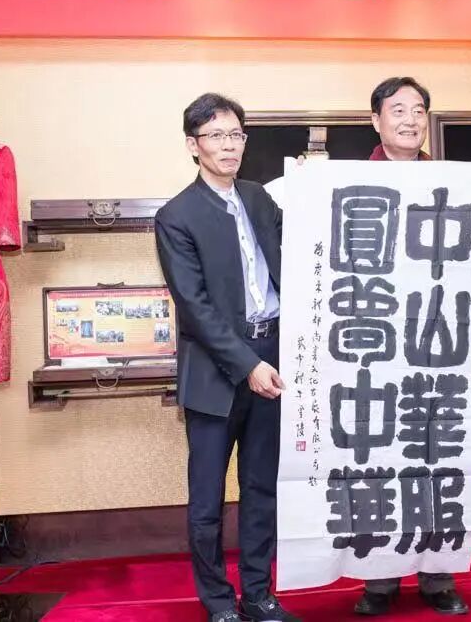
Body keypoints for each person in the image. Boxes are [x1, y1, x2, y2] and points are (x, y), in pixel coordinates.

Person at [353, 76, 471, 617]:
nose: (410, 119)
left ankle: (437, 575)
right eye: (398, 109)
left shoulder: (451, 181)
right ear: (375, 120)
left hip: (433, 341)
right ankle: (378, 580)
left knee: (433, 453)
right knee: (376, 456)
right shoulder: (349, 180)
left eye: (419, 110)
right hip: (374, 345)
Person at [154, 93, 300, 622]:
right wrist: (247, 365)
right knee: (207, 499)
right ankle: (218, 602)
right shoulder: (176, 216)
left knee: (262, 488)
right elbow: (194, 308)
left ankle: (258, 594)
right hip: (217, 372)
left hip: (272, 356)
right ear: (193, 145)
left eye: (236, 134)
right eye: (216, 135)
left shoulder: (260, 199)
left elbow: (305, 254)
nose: (229, 145)